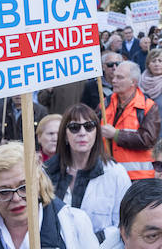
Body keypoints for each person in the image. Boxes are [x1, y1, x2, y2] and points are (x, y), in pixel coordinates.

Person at [45, 103, 131, 241]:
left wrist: (92, 241)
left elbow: (125, 223)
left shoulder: (115, 173)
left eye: (89, 126)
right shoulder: (47, 173)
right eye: (74, 127)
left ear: (96, 133)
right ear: (65, 135)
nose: (82, 133)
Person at [100, 61, 160, 181]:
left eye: (119, 77)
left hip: (139, 178)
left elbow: (148, 139)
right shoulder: (105, 103)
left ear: (133, 82)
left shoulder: (148, 106)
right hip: (109, 174)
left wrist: (116, 134)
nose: (114, 80)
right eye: (114, 76)